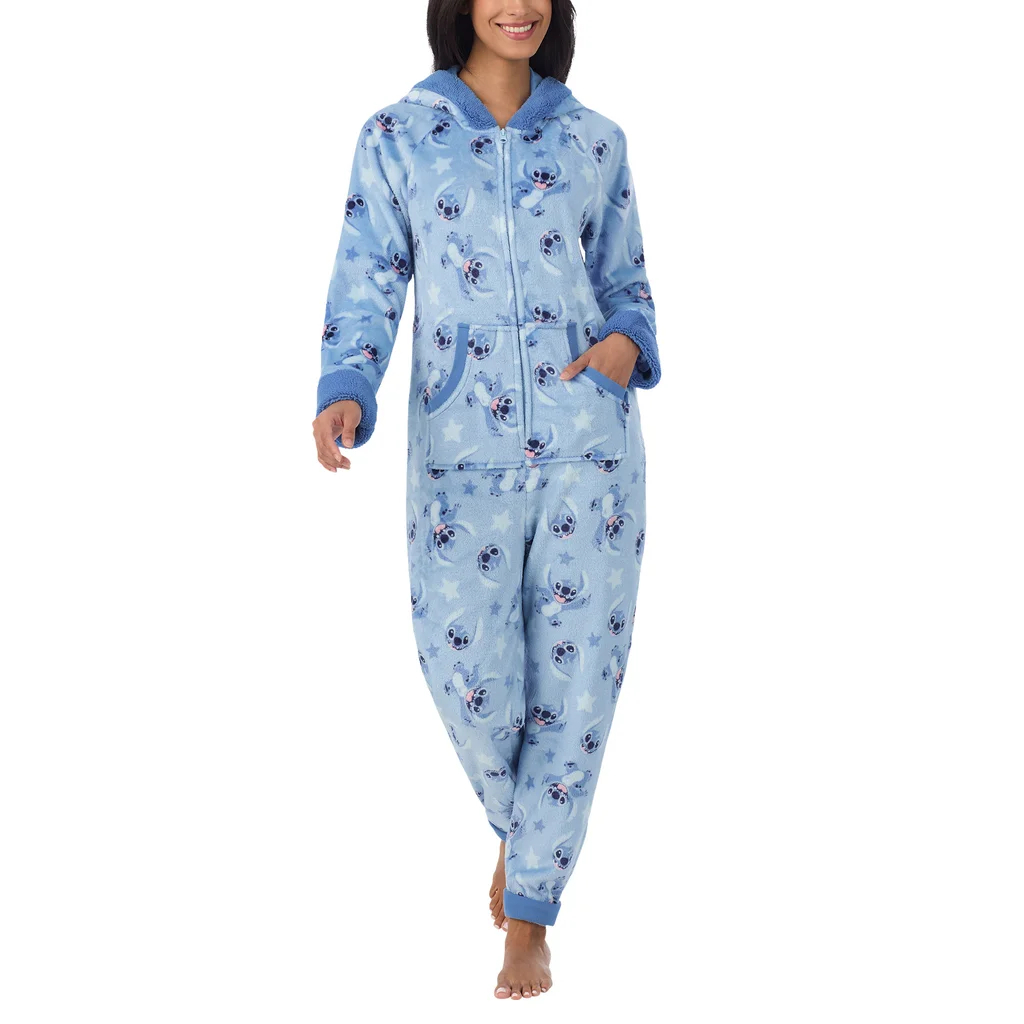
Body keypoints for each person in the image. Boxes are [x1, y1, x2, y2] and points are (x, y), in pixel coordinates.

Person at [312, 0, 661, 999]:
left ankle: (530, 917)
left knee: (578, 689)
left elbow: (627, 281)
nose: (519, 5)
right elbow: (371, 271)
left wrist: (625, 343)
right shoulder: (397, 135)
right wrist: (347, 383)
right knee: (467, 676)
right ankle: (527, 831)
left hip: (590, 451)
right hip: (458, 454)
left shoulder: (595, 139)